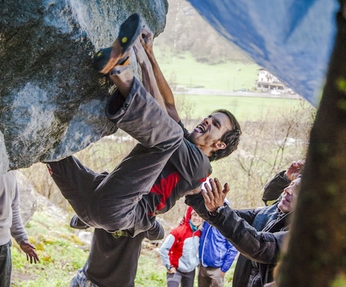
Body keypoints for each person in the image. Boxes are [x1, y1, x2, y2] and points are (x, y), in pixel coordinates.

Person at [46, 13, 241, 237]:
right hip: (91, 202)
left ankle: (119, 71)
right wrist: (147, 53)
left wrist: (139, 62)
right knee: (51, 147)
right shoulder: (181, 142)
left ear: (219, 145)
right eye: (209, 116)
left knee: (171, 134)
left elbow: (165, 118)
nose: (206, 120)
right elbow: (167, 106)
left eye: (215, 124)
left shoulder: (200, 167)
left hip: (119, 210)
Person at [185, 175, 301, 287]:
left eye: (297, 190)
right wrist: (195, 195)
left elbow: (259, 246)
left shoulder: (302, 236)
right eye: (291, 184)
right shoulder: (267, 212)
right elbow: (224, 218)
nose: (287, 190)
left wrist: (219, 212)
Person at [68, 215, 164, 287]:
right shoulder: (104, 211)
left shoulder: (141, 218)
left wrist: (146, 216)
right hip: (90, 279)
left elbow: (158, 234)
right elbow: (75, 222)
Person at [159, 207, 203, 287]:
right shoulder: (178, 232)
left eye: (200, 216)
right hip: (175, 269)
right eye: (195, 215)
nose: (197, 218)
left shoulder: (200, 233)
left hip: (190, 271)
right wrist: (169, 266)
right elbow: (163, 249)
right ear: (190, 216)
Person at [198, 202, 237, 287]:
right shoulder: (206, 222)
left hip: (217, 268)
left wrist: (224, 269)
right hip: (203, 266)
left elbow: (233, 249)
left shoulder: (227, 226)